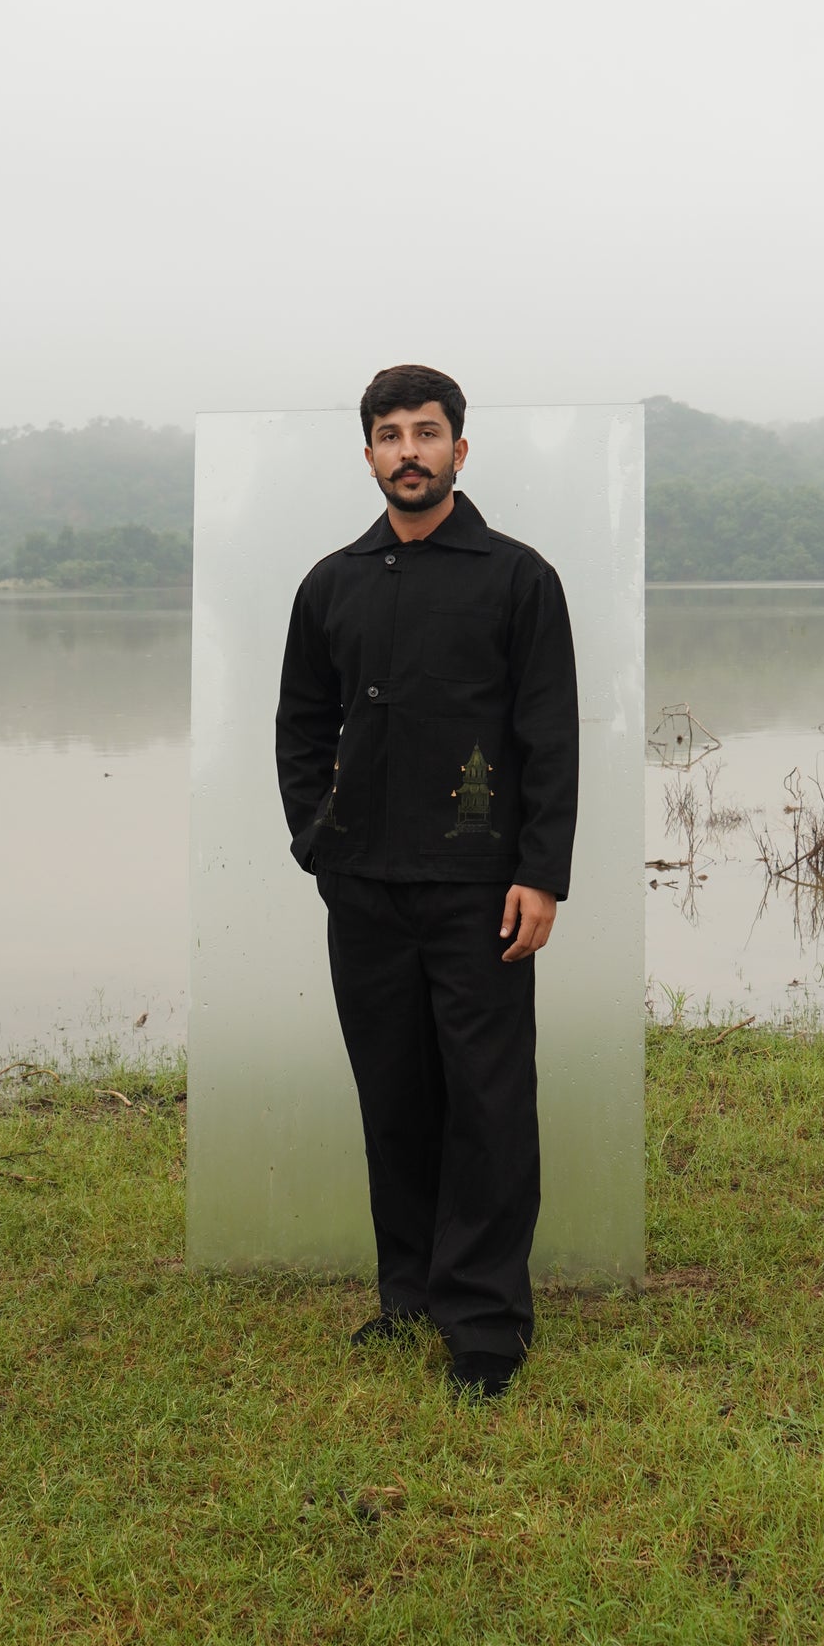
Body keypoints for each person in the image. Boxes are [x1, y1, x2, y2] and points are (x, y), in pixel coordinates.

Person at [275, 365, 579, 1398]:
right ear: (367, 452)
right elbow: (300, 726)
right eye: (390, 434)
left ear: (459, 448)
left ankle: (484, 1326)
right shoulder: (332, 584)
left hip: (478, 890)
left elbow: (548, 736)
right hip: (363, 887)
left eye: (426, 431)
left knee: (487, 1103)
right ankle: (407, 1294)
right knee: (394, 1097)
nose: (408, 451)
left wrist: (540, 873)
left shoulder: (517, 578)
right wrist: (316, 841)